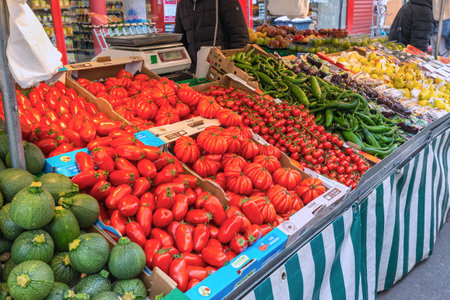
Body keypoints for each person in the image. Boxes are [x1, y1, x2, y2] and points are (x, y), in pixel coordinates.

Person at [174, 0, 250, 72]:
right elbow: (180, 41)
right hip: (194, 71)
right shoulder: (182, 5)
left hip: (220, 71)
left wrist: (232, 68)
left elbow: (240, 37)